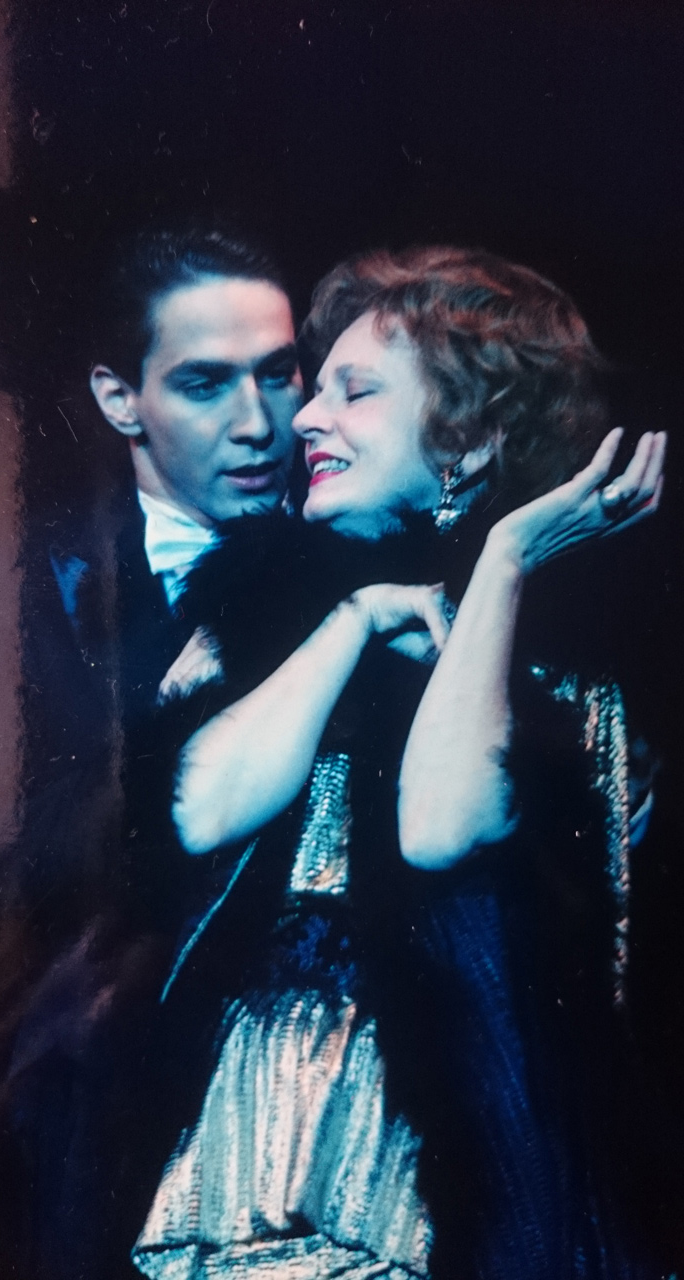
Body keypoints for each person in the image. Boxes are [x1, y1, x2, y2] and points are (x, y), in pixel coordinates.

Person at [131, 245, 666, 1280]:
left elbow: (438, 826)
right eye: (318, 389)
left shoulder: (556, 664)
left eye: (356, 391)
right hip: (235, 1155)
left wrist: (504, 559)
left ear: (465, 433)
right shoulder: (251, 611)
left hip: (438, 1187)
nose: (305, 419)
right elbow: (194, 810)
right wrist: (356, 617)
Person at [3, 223, 303, 1280]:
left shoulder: (366, 544)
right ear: (119, 398)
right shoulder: (31, 578)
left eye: (279, 374)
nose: (258, 424)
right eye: (206, 384)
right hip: (94, 1107)